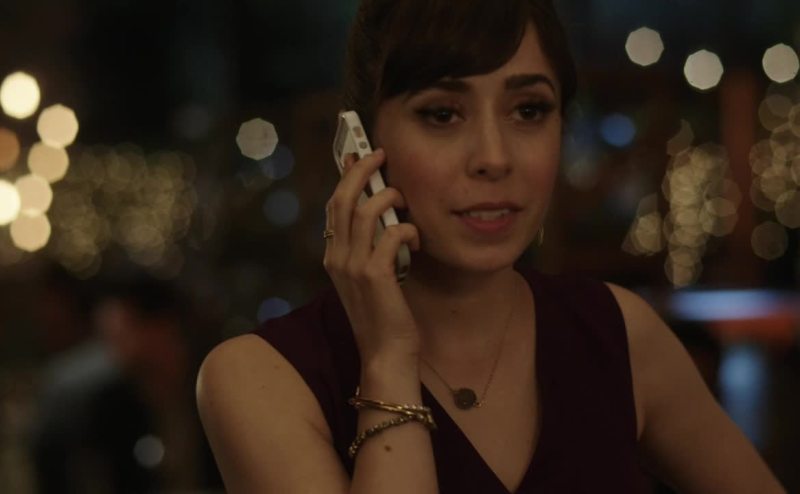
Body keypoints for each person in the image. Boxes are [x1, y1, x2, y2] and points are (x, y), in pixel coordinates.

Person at [196, 0, 786, 492]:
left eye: (529, 110)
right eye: (442, 114)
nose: (495, 158)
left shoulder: (617, 334)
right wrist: (388, 360)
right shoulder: (257, 378)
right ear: (361, 150)